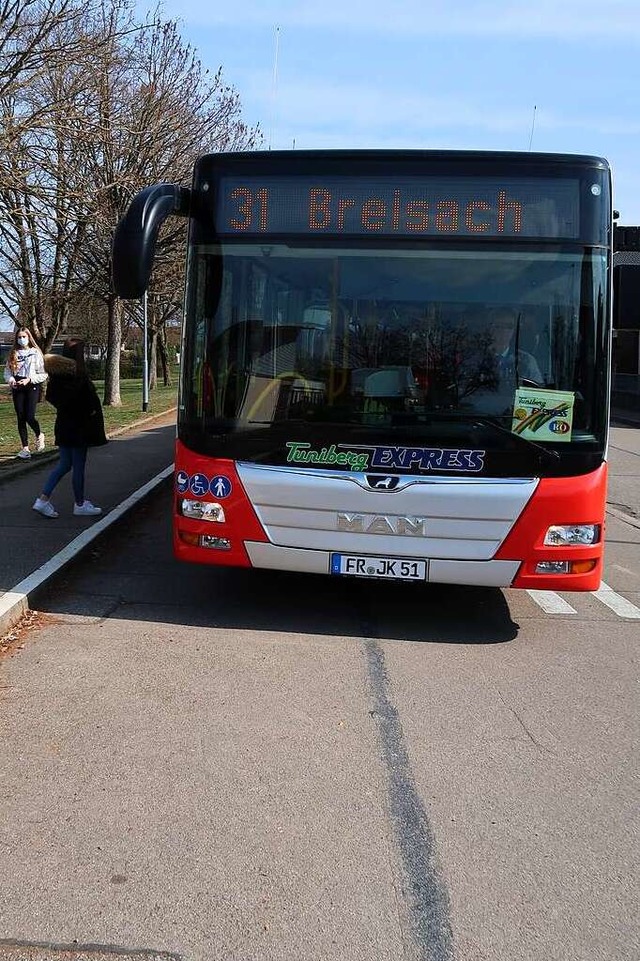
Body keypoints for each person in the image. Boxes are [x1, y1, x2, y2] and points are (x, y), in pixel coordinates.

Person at [32, 338, 107, 519]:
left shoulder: (57, 376)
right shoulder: (78, 376)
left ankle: (43, 499)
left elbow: (55, 398)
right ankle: (80, 503)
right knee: (78, 466)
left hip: (64, 425)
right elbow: (88, 403)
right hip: (79, 427)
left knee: (64, 464)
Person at [3, 327, 47, 459]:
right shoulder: (13, 353)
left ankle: (39, 434)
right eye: (19, 337)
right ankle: (25, 448)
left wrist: (29, 380)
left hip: (31, 385)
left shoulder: (35, 353)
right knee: (20, 417)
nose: (22, 339)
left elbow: (43, 373)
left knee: (29, 416)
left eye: (24, 337)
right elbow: (7, 372)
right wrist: (11, 380)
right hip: (18, 387)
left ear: (28, 338)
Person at [490, 308, 544, 385]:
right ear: (490, 328)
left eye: (509, 326)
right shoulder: (477, 359)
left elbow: (538, 391)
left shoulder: (527, 361)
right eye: (498, 326)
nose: (504, 330)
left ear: (514, 330)